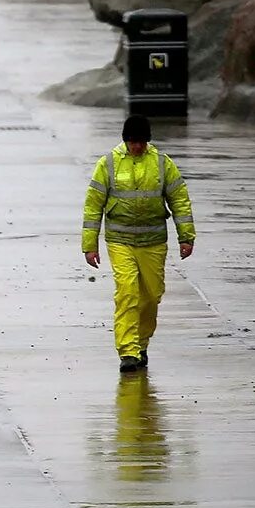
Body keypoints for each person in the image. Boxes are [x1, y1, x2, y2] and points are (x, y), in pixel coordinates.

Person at [82, 114, 196, 373]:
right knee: (127, 292)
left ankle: (141, 343)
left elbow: (179, 199)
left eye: (141, 142)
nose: (137, 146)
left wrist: (186, 236)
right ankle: (128, 351)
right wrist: (90, 245)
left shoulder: (161, 164)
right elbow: (92, 207)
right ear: (125, 141)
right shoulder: (108, 164)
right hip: (120, 241)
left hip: (153, 242)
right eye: (133, 142)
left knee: (151, 297)